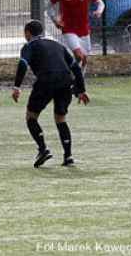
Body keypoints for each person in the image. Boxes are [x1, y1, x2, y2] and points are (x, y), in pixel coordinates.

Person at [11, 20, 89, 167]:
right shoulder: (57, 45)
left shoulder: (29, 46)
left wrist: (16, 87)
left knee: (31, 116)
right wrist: (82, 90)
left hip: (46, 80)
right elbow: (76, 68)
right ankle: (68, 156)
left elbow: (22, 64)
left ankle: (43, 149)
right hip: (66, 81)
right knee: (61, 118)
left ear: (28, 32)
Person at [47, 0, 104, 71]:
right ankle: (74, 77)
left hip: (84, 29)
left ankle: (75, 76)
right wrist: (55, 20)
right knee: (79, 55)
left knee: (84, 59)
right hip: (68, 29)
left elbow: (101, 3)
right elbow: (48, 7)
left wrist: (99, 11)